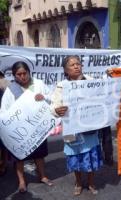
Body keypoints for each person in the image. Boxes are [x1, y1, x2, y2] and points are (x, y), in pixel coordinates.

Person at [51, 55, 102, 195]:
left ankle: (91, 183)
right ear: (65, 70)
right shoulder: (61, 86)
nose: (76, 66)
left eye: (78, 64)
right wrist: (56, 110)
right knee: (75, 156)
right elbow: (54, 105)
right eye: (72, 65)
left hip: (89, 126)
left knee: (91, 155)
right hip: (70, 128)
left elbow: (103, 94)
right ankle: (78, 183)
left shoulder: (91, 81)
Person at [1, 62, 53, 193]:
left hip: (37, 127)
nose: (23, 76)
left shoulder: (39, 84)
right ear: (14, 75)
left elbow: (52, 98)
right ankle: (22, 182)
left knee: (39, 154)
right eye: (19, 74)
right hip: (20, 131)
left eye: (25, 73)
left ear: (29, 72)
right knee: (19, 157)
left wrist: (44, 97)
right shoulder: (10, 90)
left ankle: (43, 176)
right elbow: (3, 112)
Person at [0, 70, 10, 176]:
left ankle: (3, 164)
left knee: (2, 144)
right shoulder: (6, 82)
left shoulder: (4, 82)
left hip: (3, 117)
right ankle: (3, 164)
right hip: (5, 118)